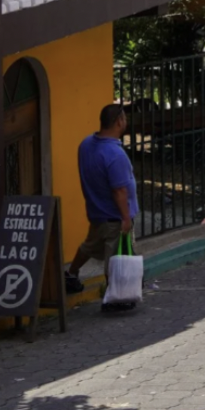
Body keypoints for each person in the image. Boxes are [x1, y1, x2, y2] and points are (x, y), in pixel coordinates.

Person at [66, 103, 138, 295]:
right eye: (124, 118)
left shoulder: (86, 144)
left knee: (89, 246)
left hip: (97, 211)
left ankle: (71, 274)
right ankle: (114, 294)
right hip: (114, 217)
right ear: (119, 122)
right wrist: (125, 218)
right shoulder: (115, 155)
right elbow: (119, 191)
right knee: (115, 258)